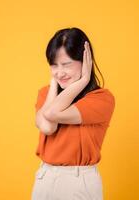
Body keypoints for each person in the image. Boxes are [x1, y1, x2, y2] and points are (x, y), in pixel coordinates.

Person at [31, 27, 115, 200]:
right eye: (54, 65)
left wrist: (84, 80)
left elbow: (52, 114)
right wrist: (54, 85)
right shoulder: (45, 93)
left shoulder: (101, 99)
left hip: (77, 181)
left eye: (66, 64)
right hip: (45, 177)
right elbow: (47, 127)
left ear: (85, 61)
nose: (59, 72)